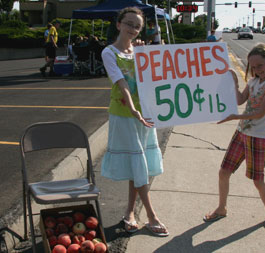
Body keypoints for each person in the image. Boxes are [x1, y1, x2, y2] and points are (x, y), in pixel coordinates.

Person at [100, 7, 169, 237]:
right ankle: (152, 216)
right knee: (138, 164)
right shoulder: (109, 53)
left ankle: (129, 213)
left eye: (137, 26)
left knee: (138, 165)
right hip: (124, 115)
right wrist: (132, 109)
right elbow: (122, 84)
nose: (132, 29)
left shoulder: (141, 52)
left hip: (145, 114)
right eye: (129, 24)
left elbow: (155, 79)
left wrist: (146, 56)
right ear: (118, 24)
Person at [203, 43, 265, 230]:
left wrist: (235, 117)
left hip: (258, 137)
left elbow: (260, 114)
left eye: (260, 66)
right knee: (224, 172)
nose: (256, 70)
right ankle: (222, 208)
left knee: (257, 180)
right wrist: (235, 82)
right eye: (253, 67)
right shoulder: (254, 82)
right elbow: (240, 100)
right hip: (241, 133)